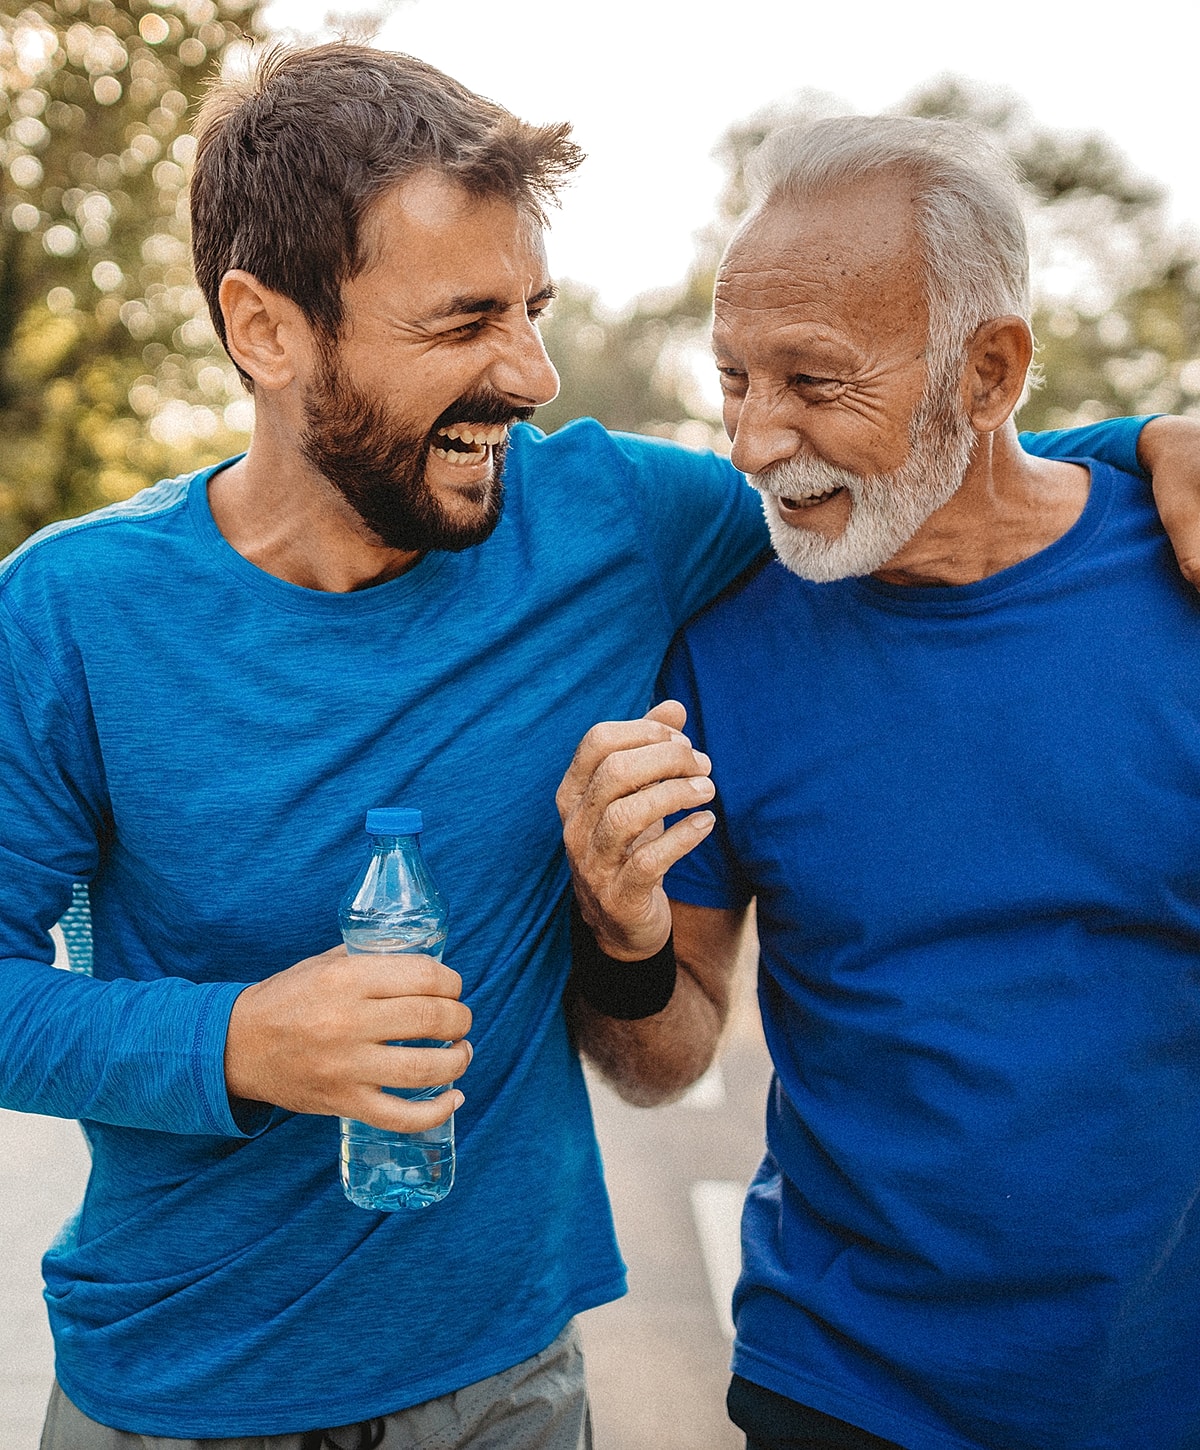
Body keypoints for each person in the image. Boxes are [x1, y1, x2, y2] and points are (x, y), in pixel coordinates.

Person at [0, 44, 1191, 1450]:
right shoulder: (71, 613)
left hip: (506, 1384)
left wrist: (1143, 446)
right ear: (266, 329)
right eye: (465, 322)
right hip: (174, 1384)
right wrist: (236, 1040)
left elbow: (908, 467)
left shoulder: (612, 524)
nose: (532, 371)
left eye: (534, 309)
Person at [557, 116, 1200, 1450]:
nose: (754, 439)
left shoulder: (1180, 581)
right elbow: (664, 1060)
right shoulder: (721, 651)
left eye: (813, 379)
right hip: (842, 1390)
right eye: (735, 377)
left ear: (989, 372)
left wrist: (1154, 436)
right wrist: (620, 936)